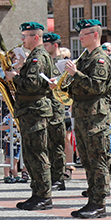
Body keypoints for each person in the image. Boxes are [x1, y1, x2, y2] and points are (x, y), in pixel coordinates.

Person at [65, 19, 111, 218]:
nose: (80, 38)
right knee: (86, 159)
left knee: (98, 159)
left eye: (84, 34)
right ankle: (92, 199)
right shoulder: (85, 58)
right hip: (83, 114)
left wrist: (75, 74)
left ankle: (99, 203)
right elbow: (77, 86)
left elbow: (97, 87)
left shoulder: (100, 59)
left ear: (95, 36)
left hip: (96, 116)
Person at [8, 22, 55, 211]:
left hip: (35, 111)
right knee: (30, 154)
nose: (22, 40)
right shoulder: (34, 57)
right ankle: (37, 193)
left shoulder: (39, 57)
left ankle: (44, 195)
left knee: (37, 153)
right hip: (29, 111)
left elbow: (33, 84)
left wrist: (14, 77)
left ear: (35, 37)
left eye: (25, 36)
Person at [42, 32, 68, 191]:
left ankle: (59, 178)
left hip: (57, 109)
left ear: (55, 45)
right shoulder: (47, 62)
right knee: (47, 145)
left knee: (57, 145)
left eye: (47, 45)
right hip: (46, 108)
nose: (44, 48)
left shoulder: (63, 63)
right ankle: (51, 176)